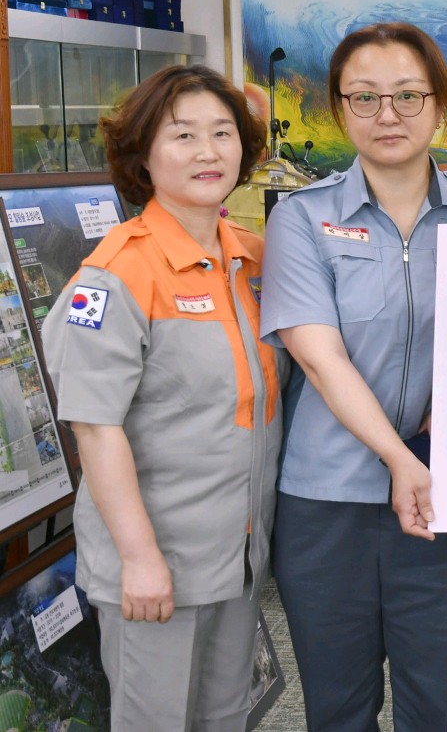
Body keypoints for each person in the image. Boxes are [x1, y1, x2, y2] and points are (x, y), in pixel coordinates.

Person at [260, 22, 447, 730]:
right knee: (338, 706)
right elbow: (319, 355)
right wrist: (400, 459)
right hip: (325, 502)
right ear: (340, 110)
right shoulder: (300, 219)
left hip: (443, 496)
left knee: (439, 702)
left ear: (439, 103)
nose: (387, 114)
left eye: (407, 95)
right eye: (364, 97)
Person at [41, 64, 280, 730]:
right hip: (156, 565)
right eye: (183, 135)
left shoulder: (251, 259)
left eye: (223, 133)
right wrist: (140, 559)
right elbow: (95, 428)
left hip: (237, 557)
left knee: (226, 717)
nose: (208, 152)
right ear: (143, 154)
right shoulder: (117, 274)